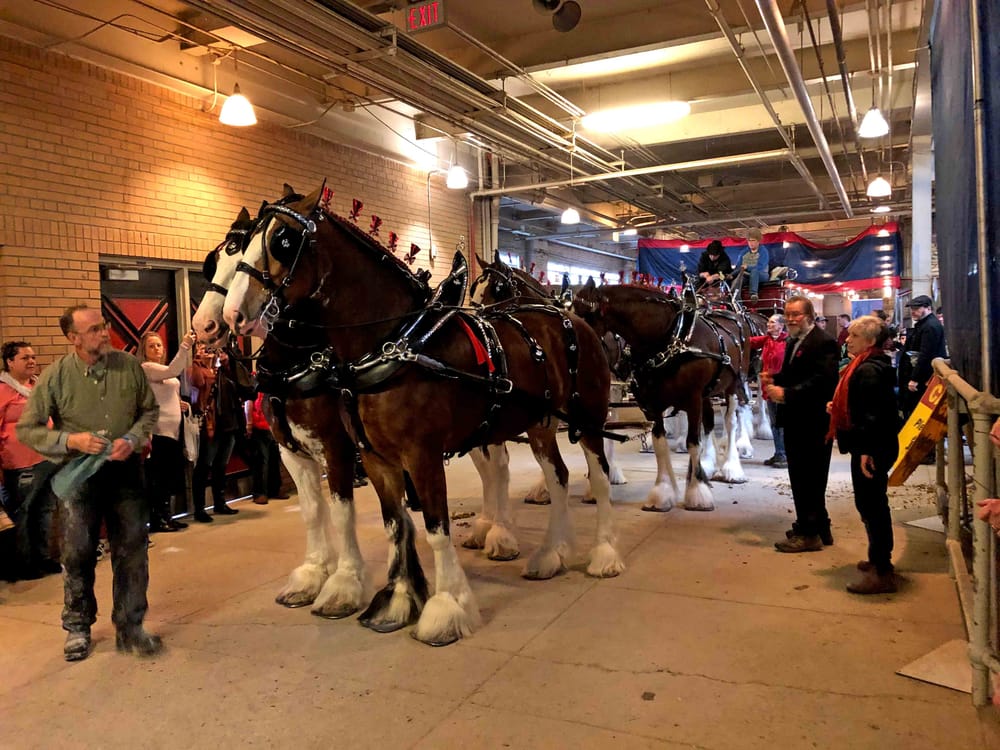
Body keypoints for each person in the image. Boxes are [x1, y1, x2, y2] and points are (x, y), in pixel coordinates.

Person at [17, 304, 160, 661]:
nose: (104, 332)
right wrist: (71, 441)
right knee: (77, 551)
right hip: (80, 477)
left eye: (104, 325)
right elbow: (28, 429)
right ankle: (77, 626)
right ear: (73, 338)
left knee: (132, 549)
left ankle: (130, 626)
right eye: (95, 328)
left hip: (125, 473)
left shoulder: (129, 367)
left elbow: (149, 411)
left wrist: (134, 437)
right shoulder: (56, 377)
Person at [826, 316, 901, 594]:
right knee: (870, 505)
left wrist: (867, 450)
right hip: (872, 445)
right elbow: (862, 406)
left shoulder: (869, 369)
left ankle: (882, 571)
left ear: (869, 341)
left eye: (854, 335)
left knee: (872, 506)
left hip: (872, 448)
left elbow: (874, 415)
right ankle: (878, 560)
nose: (847, 339)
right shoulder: (868, 364)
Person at [762, 295, 839, 552]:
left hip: (812, 421)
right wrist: (774, 377)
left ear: (810, 316)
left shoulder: (823, 342)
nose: (791, 319)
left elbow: (822, 382)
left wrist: (787, 394)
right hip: (798, 419)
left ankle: (809, 535)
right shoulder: (796, 341)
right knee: (804, 477)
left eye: (796, 314)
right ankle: (818, 526)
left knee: (808, 478)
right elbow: (796, 374)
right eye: (788, 314)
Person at [1, 341, 60, 580]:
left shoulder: (39, 386)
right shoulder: (3, 390)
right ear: (10, 362)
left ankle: (43, 557)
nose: (32, 361)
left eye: (33, 357)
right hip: (21, 461)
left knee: (45, 509)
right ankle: (24, 563)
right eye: (25, 358)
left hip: (46, 457)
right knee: (24, 512)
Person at [139, 330, 195, 532]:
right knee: (158, 478)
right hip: (159, 430)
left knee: (169, 476)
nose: (156, 349)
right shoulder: (147, 368)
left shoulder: (161, 369)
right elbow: (173, 371)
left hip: (174, 429)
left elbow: (167, 390)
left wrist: (179, 403)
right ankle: (157, 519)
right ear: (144, 351)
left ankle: (167, 515)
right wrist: (185, 346)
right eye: (151, 346)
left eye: (159, 345)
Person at [189, 346, 243, 522]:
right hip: (210, 423)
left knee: (221, 465)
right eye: (203, 348)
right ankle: (199, 509)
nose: (208, 351)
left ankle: (220, 502)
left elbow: (239, 384)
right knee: (204, 466)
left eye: (210, 348)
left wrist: (224, 362)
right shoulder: (196, 368)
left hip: (228, 422)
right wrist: (198, 361)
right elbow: (196, 384)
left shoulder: (222, 369)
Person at [898, 294, 948, 419]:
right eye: (912, 309)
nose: (913, 312)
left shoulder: (930, 326)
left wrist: (915, 378)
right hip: (921, 374)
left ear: (928, 308)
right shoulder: (924, 324)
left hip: (923, 377)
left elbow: (926, 354)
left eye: (917, 309)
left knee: (916, 411)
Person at [749, 314, 788, 468]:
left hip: (782, 389)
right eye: (769, 322)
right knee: (774, 423)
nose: (768, 324)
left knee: (781, 423)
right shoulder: (766, 340)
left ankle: (784, 454)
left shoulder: (787, 342)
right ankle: (779, 452)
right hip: (769, 389)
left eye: (772, 322)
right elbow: (749, 341)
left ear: (781, 325)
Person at [244, 391, 286, 504]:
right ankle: (259, 493)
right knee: (261, 461)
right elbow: (248, 403)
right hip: (259, 428)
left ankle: (275, 490)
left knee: (274, 460)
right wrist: (249, 423)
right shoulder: (253, 387)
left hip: (271, 427)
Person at [737, 228, 769, 301]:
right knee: (739, 277)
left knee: (754, 272)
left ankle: (753, 294)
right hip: (747, 275)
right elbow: (738, 266)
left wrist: (747, 267)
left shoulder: (763, 251)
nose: (751, 243)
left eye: (753, 240)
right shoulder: (743, 252)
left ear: (758, 241)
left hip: (762, 274)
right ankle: (735, 298)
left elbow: (761, 267)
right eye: (749, 241)